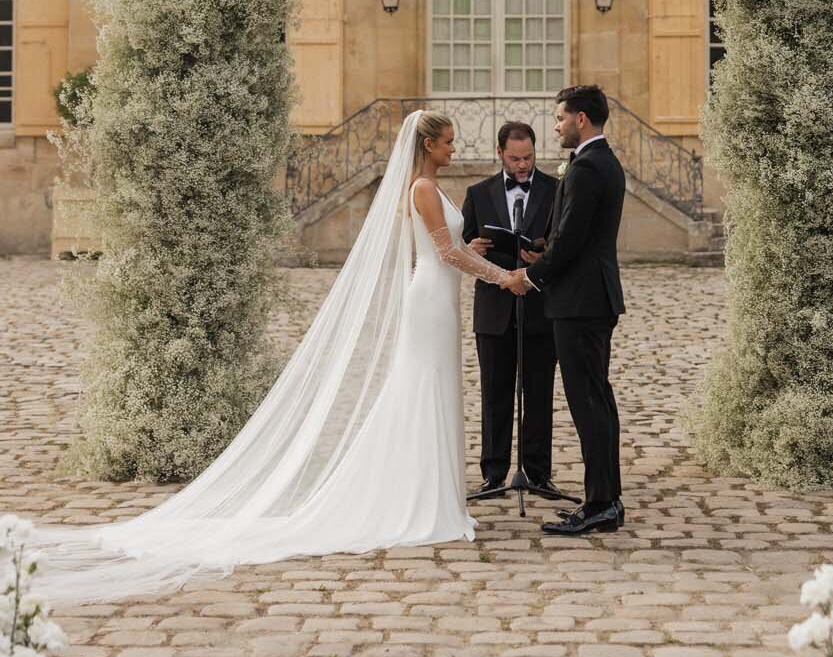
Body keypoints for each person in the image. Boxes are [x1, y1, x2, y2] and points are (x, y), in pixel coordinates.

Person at [30, 110, 516, 604]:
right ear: (428, 143)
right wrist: (503, 276)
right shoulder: (423, 189)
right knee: (422, 390)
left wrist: (468, 244)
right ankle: (421, 500)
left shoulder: (428, 187)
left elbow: (447, 248)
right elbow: (445, 256)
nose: (454, 148)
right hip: (430, 301)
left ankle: (432, 494)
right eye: (448, 141)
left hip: (438, 299)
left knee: (428, 389)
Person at [509, 84, 626, 536]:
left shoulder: (588, 168)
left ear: (581, 119)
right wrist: (544, 252)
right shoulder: (600, 162)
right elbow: (573, 235)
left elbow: (574, 240)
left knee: (589, 404)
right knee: (598, 401)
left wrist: (531, 277)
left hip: (580, 303)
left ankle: (600, 504)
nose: (555, 125)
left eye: (560, 117)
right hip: (589, 297)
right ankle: (606, 500)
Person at [461, 121, 559, 496]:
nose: (523, 165)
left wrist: (542, 255)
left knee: (539, 392)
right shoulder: (478, 192)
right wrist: (473, 246)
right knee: (494, 392)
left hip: (540, 306)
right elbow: (466, 244)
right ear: (499, 153)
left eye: (529, 157)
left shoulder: (556, 189)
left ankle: (538, 472)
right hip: (493, 309)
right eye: (515, 158)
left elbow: (562, 242)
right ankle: (493, 471)